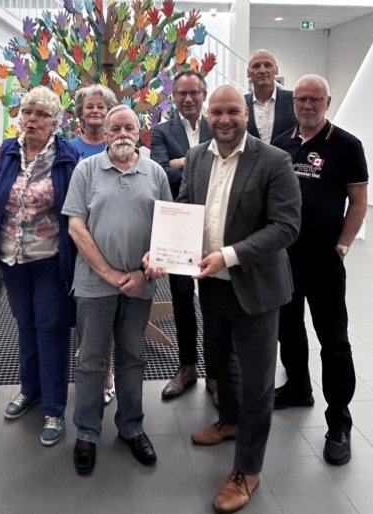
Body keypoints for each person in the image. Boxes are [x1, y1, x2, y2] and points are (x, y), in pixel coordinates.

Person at [179, 85, 301, 513]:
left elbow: (286, 226)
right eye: (217, 112)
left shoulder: (273, 161)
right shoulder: (196, 157)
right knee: (219, 361)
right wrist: (167, 248)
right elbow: (184, 208)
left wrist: (229, 255)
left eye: (233, 111)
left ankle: (247, 469)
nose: (224, 119)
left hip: (256, 288)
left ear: (246, 113)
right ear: (207, 116)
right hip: (212, 286)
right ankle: (228, 422)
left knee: (256, 381)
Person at [65, 105, 171, 475]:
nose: (123, 132)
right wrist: (109, 273)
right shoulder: (86, 169)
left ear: (140, 131)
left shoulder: (155, 172)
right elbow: (76, 227)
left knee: (132, 356)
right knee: (91, 359)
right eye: (115, 128)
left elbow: (168, 228)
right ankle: (88, 433)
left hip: (140, 283)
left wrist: (144, 272)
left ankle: (131, 427)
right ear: (105, 133)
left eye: (129, 126)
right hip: (95, 283)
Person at [271, 74, 368, 466]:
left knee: (334, 340)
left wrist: (342, 246)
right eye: (301, 99)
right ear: (294, 103)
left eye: (315, 99)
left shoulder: (346, 145)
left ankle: (339, 422)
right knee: (288, 329)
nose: (307, 105)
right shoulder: (281, 146)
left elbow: (358, 202)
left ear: (328, 102)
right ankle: (297, 387)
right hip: (284, 260)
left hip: (326, 262)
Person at [0, 85, 78, 447]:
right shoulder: (8, 151)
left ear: (54, 122)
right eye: (28, 112)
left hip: (50, 256)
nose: (32, 119)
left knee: (51, 328)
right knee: (25, 325)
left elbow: (73, 207)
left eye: (41, 114)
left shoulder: (66, 157)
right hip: (11, 256)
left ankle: (54, 407)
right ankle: (29, 390)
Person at [150, 70, 214, 403]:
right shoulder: (162, 130)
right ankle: (187, 367)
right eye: (181, 94)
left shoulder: (217, 125)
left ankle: (215, 374)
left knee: (216, 299)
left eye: (194, 92)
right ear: (173, 97)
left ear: (204, 94)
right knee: (181, 297)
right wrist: (197, 160)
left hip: (216, 223)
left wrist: (180, 162)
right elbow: (159, 170)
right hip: (178, 221)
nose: (188, 99)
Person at [70, 84, 120, 406]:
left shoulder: (122, 145)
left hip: (114, 244)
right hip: (78, 243)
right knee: (84, 314)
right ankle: (87, 365)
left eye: (102, 106)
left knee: (112, 314)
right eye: (89, 106)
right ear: (80, 111)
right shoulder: (69, 149)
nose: (95, 111)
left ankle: (109, 371)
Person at [245, 49, 297, 144]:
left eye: (268, 65)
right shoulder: (241, 104)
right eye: (256, 66)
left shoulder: (294, 100)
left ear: (276, 70)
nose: (262, 70)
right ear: (248, 72)